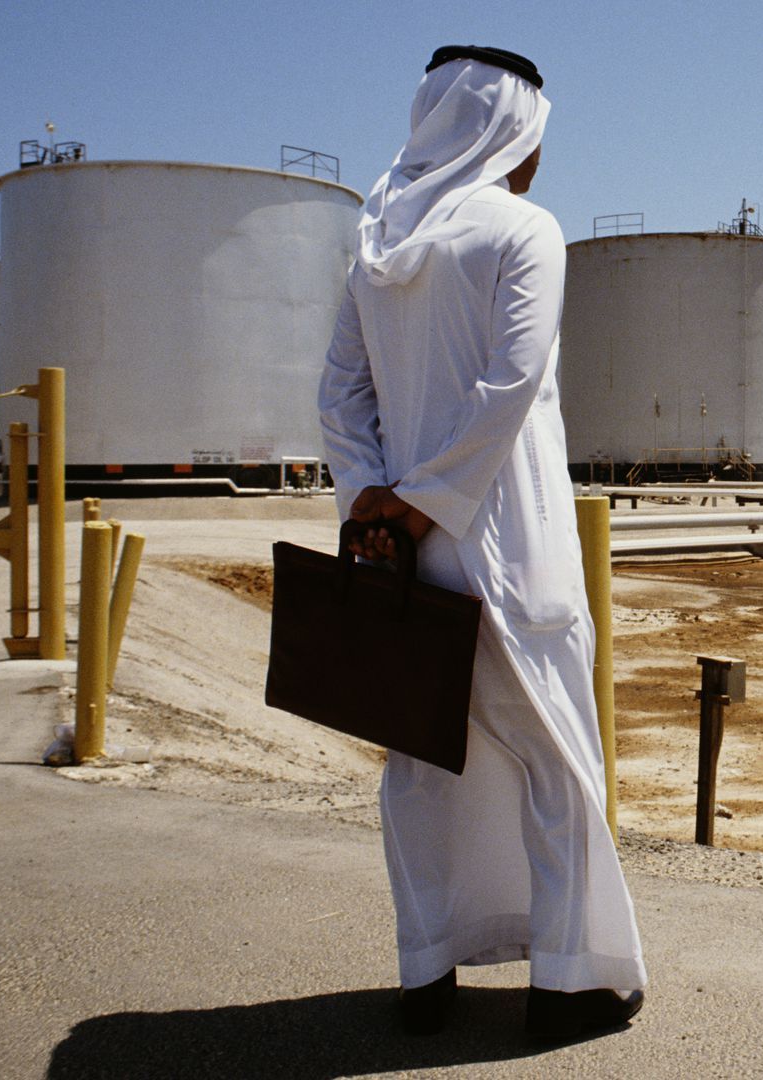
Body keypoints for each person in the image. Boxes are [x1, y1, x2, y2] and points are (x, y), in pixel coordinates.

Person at [317, 45, 646, 1041]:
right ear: (508, 135)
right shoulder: (524, 232)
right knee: (553, 753)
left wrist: (374, 502)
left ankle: (426, 971)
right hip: (507, 541)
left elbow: (341, 396)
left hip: (402, 552)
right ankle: (566, 978)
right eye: (533, 137)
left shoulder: (376, 245)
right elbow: (510, 389)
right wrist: (424, 504)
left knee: (422, 759)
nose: (539, 158)